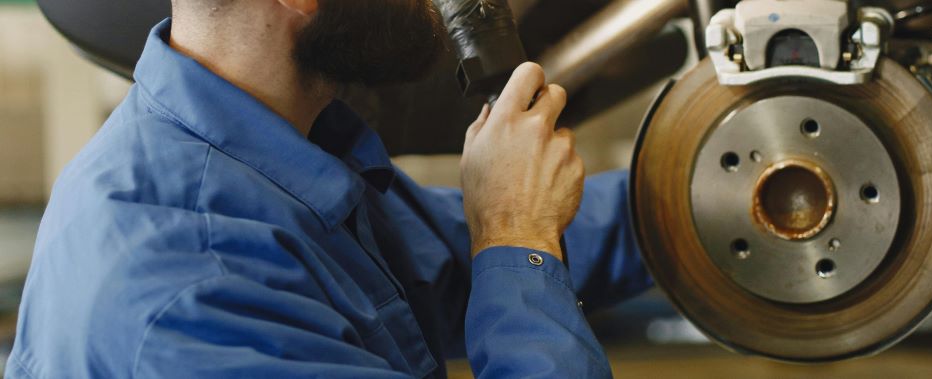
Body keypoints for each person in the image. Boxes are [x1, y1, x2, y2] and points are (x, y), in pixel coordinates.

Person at [5, 0, 650, 377]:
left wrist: (693, 192)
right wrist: (518, 235)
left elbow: (453, 255)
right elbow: (505, 240)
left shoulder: (278, 153)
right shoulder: (200, 295)